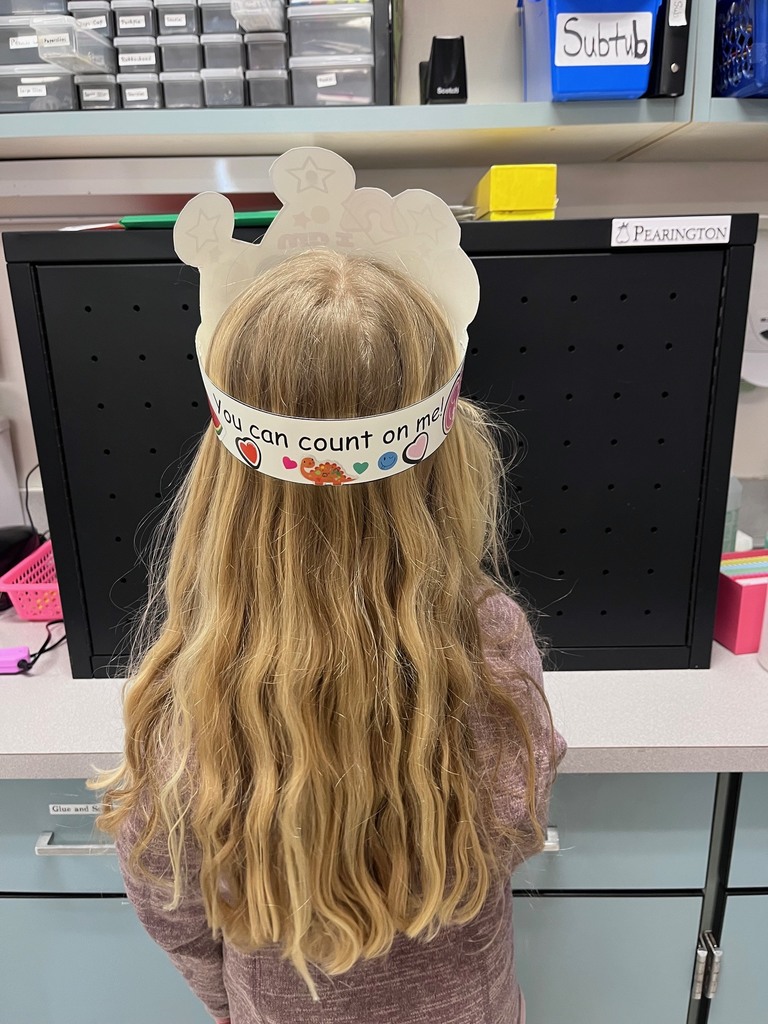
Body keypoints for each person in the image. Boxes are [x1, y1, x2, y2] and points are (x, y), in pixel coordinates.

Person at [91, 151, 566, 1024]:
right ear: (453, 452)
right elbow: (517, 824)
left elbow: (168, 896)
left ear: (222, 476)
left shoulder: (191, 679)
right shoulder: (488, 637)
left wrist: (232, 1003)